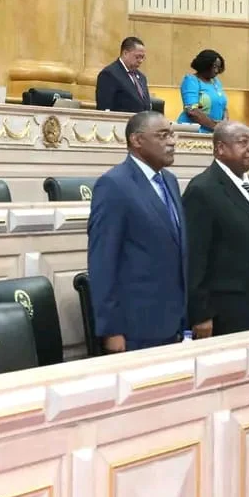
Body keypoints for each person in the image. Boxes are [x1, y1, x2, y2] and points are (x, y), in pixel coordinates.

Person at [87, 111, 187, 352]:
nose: (172, 141)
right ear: (137, 140)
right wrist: (111, 329)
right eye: (163, 135)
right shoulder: (114, 184)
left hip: (174, 322)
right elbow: (103, 262)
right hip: (136, 328)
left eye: (172, 134)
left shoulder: (170, 181)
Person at [183, 121, 249, 337]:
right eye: (243, 142)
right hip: (231, 312)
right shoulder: (202, 189)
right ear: (220, 148)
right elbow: (195, 257)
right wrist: (201, 314)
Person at [95, 37, 152, 113]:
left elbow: (144, 105)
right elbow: (104, 108)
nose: (140, 61)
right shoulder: (109, 74)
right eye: (137, 57)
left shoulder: (141, 77)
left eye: (142, 57)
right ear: (125, 53)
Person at [176, 49, 227, 132]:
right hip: (195, 132)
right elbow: (192, 111)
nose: (217, 71)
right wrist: (215, 126)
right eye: (214, 67)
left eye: (219, 67)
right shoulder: (191, 80)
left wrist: (225, 124)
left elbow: (223, 107)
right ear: (204, 65)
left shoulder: (216, 82)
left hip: (215, 132)